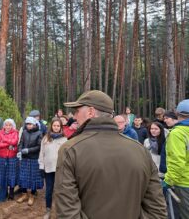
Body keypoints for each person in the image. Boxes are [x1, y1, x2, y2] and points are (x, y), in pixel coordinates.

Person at [55, 90, 167, 218]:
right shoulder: (140, 150)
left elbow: (67, 213)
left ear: (90, 112)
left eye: (77, 111)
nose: (74, 117)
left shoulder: (70, 149)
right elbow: (157, 210)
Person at [163, 99, 189, 218]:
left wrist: (167, 182)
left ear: (178, 114)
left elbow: (177, 163)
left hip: (184, 183)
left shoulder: (177, 134)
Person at [38, 118, 67, 218]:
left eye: (58, 126)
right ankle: (48, 210)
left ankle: (61, 211)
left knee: (60, 190)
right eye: (54, 125)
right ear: (51, 126)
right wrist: (41, 167)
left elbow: (66, 155)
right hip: (48, 169)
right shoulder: (45, 139)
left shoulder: (64, 140)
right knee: (49, 190)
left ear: (60, 127)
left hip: (60, 169)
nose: (56, 127)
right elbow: (41, 153)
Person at [16, 117, 43, 206]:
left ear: (34, 124)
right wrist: (20, 151)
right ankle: (24, 194)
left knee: (33, 177)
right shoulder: (24, 132)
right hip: (24, 158)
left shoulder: (39, 133)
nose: (28, 126)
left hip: (34, 158)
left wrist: (28, 150)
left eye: (30, 124)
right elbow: (20, 143)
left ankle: (32, 195)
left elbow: (39, 146)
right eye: (27, 124)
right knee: (23, 176)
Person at [0, 119, 19, 202]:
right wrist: (8, 144)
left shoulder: (15, 132)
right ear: (4, 126)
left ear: (12, 126)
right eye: (6, 125)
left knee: (11, 174)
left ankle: (11, 192)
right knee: (2, 175)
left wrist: (4, 140)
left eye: (10, 125)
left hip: (12, 157)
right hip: (2, 157)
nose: (8, 127)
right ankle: (3, 193)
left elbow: (15, 141)